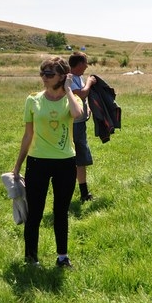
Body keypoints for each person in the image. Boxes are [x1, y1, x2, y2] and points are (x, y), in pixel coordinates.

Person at [12, 56, 84, 268]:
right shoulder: (32, 100)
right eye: (42, 73)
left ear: (62, 76)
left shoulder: (72, 99)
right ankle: (31, 259)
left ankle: (62, 257)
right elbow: (28, 135)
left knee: (61, 212)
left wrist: (69, 89)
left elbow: (77, 114)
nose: (44, 77)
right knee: (34, 212)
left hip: (65, 163)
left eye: (49, 74)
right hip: (37, 162)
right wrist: (17, 165)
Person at [68, 52, 96, 202]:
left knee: (80, 159)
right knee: (76, 159)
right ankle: (77, 192)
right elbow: (81, 94)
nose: (86, 66)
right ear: (79, 64)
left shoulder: (78, 77)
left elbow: (81, 99)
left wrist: (87, 108)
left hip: (80, 123)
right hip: (73, 125)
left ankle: (84, 193)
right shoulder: (69, 79)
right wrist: (90, 82)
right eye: (85, 63)